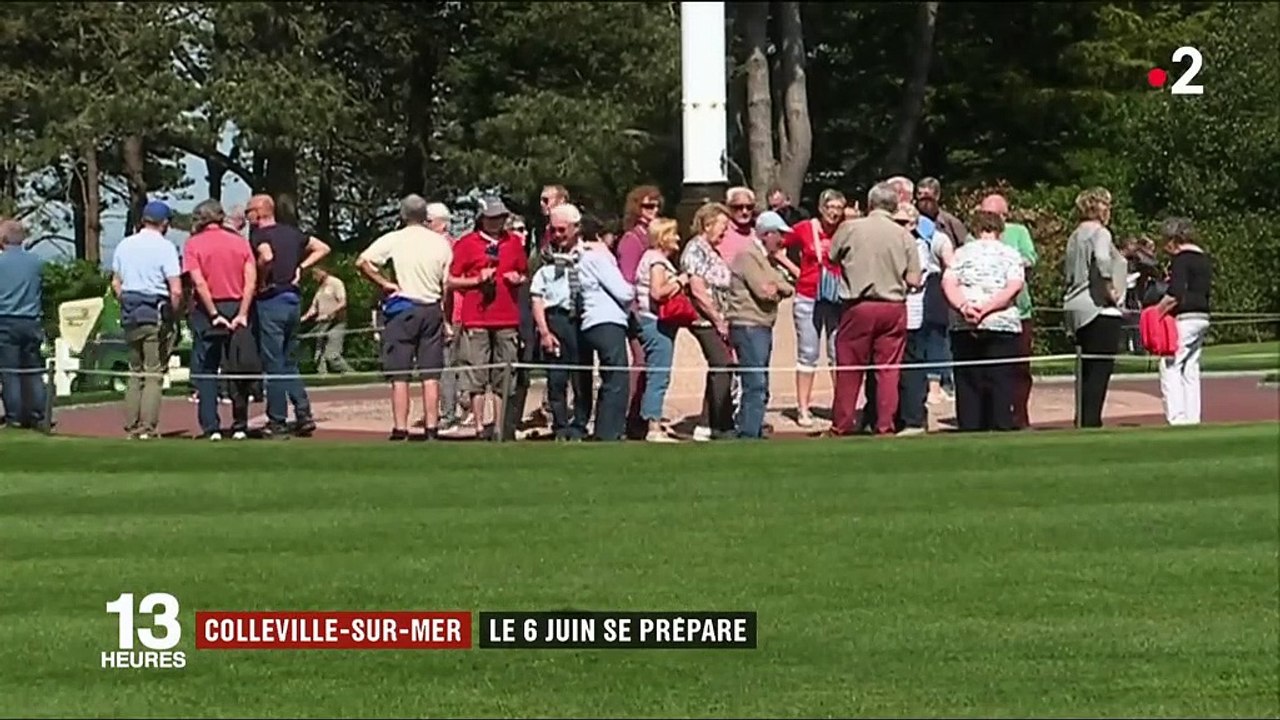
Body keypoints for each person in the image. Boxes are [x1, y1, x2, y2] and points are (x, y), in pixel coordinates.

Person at [827, 182, 922, 436]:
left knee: (849, 368)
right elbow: (914, 279)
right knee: (888, 371)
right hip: (893, 306)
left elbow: (831, 257)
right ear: (894, 206)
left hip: (859, 305)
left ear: (870, 204)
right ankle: (885, 425)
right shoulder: (904, 235)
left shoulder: (850, 228)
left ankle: (842, 425)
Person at [357, 194, 454, 441]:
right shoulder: (440, 243)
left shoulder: (395, 239)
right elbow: (445, 283)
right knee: (430, 373)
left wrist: (385, 283)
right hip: (431, 307)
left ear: (402, 215)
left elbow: (363, 261)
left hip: (403, 306)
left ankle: (401, 427)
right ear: (425, 217)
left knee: (400, 374)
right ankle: (432, 427)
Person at [246, 194, 331, 437]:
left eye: (248, 211)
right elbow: (322, 248)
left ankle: (278, 419)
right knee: (288, 361)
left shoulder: (259, 235)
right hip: (293, 300)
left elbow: (267, 256)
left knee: (273, 363)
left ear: (258, 212)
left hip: (271, 299)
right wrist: (300, 268)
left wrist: (262, 279)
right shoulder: (292, 233)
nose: (247, 216)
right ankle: (303, 412)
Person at [448, 197, 528, 441]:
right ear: (482, 218)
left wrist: (518, 278)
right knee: (477, 373)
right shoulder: (466, 244)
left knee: (505, 374)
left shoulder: (514, 242)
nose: (497, 222)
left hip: (506, 316)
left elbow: (524, 272)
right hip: (477, 317)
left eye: (501, 217)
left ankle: (501, 426)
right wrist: (476, 281)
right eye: (492, 217)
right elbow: (451, 281)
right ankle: (479, 426)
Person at [941, 210, 1025, 432]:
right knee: (1001, 379)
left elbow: (949, 283)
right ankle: (1001, 424)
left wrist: (965, 308)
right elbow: (1014, 285)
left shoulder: (960, 254)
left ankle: (969, 426)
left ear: (974, 229)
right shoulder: (1010, 254)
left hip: (964, 323)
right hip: (1002, 323)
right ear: (1000, 230)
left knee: (968, 380)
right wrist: (987, 309)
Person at [182, 200, 257, 441]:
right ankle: (239, 424)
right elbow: (250, 282)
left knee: (206, 368)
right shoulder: (240, 242)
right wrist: (242, 313)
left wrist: (214, 314)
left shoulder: (193, 244)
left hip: (208, 309)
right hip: (237, 305)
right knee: (237, 366)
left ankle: (211, 426)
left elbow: (199, 281)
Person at [111, 200, 182, 439]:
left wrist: (125, 302)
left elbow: (116, 282)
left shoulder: (124, 245)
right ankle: (148, 427)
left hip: (130, 311)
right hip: (154, 310)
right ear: (164, 223)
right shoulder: (165, 248)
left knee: (135, 370)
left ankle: (131, 425)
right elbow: (176, 288)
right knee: (153, 372)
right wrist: (175, 313)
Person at [1062, 187, 1127, 428]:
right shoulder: (1101, 233)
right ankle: (1091, 421)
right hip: (1097, 307)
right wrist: (1111, 288)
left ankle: (1082, 419)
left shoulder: (1074, 236)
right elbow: (1101, 259)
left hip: (1074, 306)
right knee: (1099, 371)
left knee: (1084, 371)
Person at [726, 211, 795, 439]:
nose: (783, 240)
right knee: (755, 382)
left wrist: (777, 288)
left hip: (761, 325)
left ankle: (751, 428)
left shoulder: (766, 259)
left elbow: (787, 286)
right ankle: (748, 432)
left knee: (760, 380)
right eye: (780, 235)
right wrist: (776, 290)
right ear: (767, 234)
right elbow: (764, 291)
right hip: (749, 325)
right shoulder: (748, 255)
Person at [782, 188, 845, 427]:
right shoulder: (804, 229)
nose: (835, 214)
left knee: (838, 352)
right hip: (808, 295)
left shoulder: (846, 229)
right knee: (808, 352)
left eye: (839, 209)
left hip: (837, 297)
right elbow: (776, 245)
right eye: (831, 208)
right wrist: (795, 270)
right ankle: (803, 408)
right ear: (821, 208)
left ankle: (841, 406)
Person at [530, 204, 593, 440]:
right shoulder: (545, 261)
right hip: (555, 319)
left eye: (562, 230)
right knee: (556, 377)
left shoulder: (589, 255)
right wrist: (544, 331)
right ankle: (559, 425)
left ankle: (580, 423)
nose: (557, 235)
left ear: (576, 228)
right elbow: (537, 297)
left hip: (580, 318)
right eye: (553, 230)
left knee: (582, 376)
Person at [978, 193, 1038, 428]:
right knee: (985, 368)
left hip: (1018, 311)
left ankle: (1019, 417)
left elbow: (1031, 258)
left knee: (1020, 367)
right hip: (984, 312)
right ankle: (988, 416)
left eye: (993, 215)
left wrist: (1004, 260)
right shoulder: (975, 235)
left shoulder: (1018, 232)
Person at [575, 212, 635, 441]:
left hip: (593, 321)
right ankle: (609, 431)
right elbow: (623, 291)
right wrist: (634, 285)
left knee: (610, 376)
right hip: (606, 320)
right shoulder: (598, 258)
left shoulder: (582, 258)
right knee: (616, 377)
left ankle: (606, 428)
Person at [681, 202, 737, 441]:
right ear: (707, 224)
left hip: (720, 317)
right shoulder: (695, 249)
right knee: (722, 364)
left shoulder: (713, 251)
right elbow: (698, 289)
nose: (725, 232)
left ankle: (707, 423)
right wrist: (717, 319)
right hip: (705, 319)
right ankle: (721, 423)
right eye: (722, 226)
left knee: (721, 367)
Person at [615, 185, 664, 439]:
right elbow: (627, 280)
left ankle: (641, 417)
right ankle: (630, 417)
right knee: (641, 363)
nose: (653, 211)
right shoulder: (631, 240)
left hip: (653, 312)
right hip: (637, 312)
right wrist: (632, 312)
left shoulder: (653, 237)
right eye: (647, 206)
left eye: (656, 206)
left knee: (650, 364)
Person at [1153, 217, 1212, 425]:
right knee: (1190, 367)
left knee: (1170, 364)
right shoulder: (1203, 258)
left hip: (1185, 317)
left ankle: (1176, 417)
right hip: (1202, 316)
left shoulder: (1181, 259)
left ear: (1173, 239)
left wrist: (1155, 312)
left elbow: (1175, 293)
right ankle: (1192, 417)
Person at [632, 217, 687, 442]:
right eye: (673, 234)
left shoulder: (653, 259)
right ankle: (653, 426)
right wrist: (680, 282)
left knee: (658, 372)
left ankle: (652, 421)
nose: (678, 238)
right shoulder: (656, 261)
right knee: (659, 374)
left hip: (653, 321)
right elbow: (657, 292)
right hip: (654, 322)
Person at [0, 219, 48, 431]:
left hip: (6, 320)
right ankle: (38, 413)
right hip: (31, 319)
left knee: (10, 371)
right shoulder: (36, 262)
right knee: (33, 369)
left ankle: (15, 416)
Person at [301, 266, 352, 375]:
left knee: (332, 355)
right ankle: (323, 377)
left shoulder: (336, 283)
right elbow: (314, 308)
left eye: (315, 273)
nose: (314, 277)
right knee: (319, 356)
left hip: (336, 323)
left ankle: (351, 375)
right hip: (322, 324)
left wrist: (329, 314)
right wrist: (302, 318)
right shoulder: (320, 288)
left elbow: (343, 303)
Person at [718, 186, 759, 267]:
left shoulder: (758, 234)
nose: (744, 212)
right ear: (728, 207)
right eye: (738, 207)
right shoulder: (721, 233)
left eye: (749, 207)